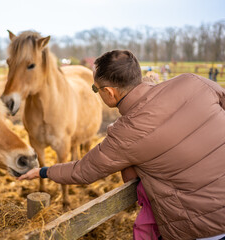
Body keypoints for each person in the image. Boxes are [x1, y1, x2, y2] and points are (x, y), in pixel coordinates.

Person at [18, 50, 225, 240]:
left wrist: (43, 171)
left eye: (95, 89)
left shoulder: (124, 134)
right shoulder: (194, 82)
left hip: (203, 229)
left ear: (109, 92)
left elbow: (82, 172)